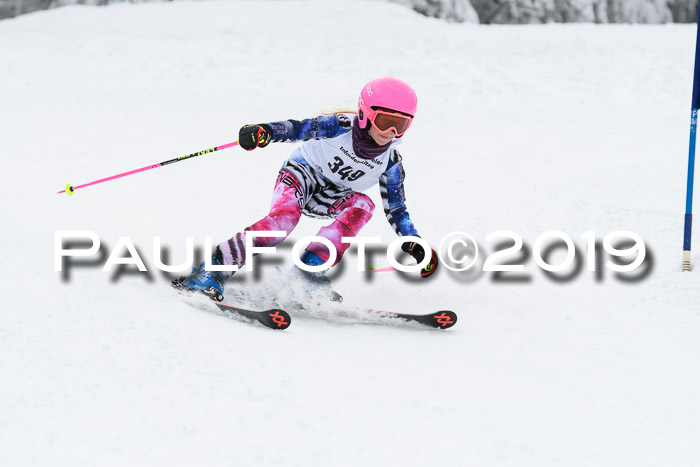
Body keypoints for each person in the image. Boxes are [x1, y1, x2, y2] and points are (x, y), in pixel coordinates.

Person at [173, 76, 438, 302]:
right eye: (384, 121)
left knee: (363, 205)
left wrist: (414, 243)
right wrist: (266, 131)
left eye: (401, 125)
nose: (390, 131)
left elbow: (397, 209)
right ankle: (211, 269)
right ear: (365, 113)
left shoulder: (390, 162)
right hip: (301, 175)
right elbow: (298, 129)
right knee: (283, 223)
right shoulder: (340, 125)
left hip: (333, 195)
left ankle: (309, 272)